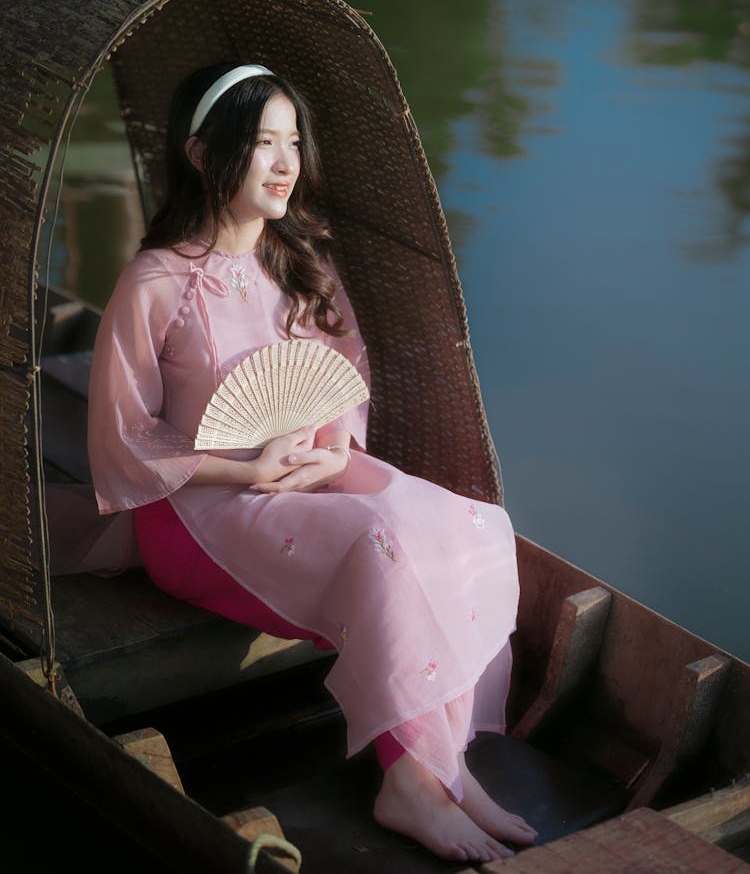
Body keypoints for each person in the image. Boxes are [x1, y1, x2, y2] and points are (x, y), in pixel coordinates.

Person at [87, 63, 537, 864]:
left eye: (292, 142)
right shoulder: (157, 282)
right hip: (198, 506)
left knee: (459, 521)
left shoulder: (301, 259)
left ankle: (442, 763)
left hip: (301, 469)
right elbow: (124, 440)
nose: (285, 162)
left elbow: (339, 386)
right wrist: (244, 470)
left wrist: (329, 450)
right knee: (381, 542)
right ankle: (408, 781)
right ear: (200, 152)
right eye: (262, 143)